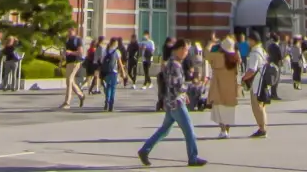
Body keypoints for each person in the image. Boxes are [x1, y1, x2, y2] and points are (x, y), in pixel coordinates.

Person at [137, 40, 205, 168]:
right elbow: (176, 85)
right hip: (176, 103)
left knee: (164, 130)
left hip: (170, 102)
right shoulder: (175, 65)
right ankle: (193, 157)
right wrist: (192, 88)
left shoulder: (171, 63)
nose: (186, 53)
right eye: (186, 50)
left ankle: (145, 150)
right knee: (189, 130)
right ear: (179, 49)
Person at [205, 37, 239, 137]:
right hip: (231, 87)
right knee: (229, 110)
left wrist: (211, 43)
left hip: (218, 86)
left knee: (219, 108)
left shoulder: (217, 56)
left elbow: (206, 53)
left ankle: (223, 130)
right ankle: (227, 130)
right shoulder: (235, 58)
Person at [62, 27, 86, 109]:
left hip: (75, 62)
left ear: (74, 32)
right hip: (69, 62)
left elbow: (80, 52)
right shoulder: (67, 40)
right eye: (68, 32)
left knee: (69, 80)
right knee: (69, 81)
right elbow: (65, 51)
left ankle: (67, 102)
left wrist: (71, 52)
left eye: (70, 32)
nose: (69, 33)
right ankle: (81, 95)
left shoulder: (77, 40)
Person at [102, 37, 123, 111]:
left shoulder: (105, 50)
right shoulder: (117, 51)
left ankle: (106, 102)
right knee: (113, 88)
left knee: (108, 87)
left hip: (106, 71)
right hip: (114, 72)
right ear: (115, 43)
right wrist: (123, 72)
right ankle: (111, 104)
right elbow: (120, 63)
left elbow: (102, 61)